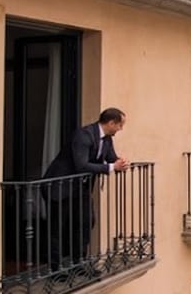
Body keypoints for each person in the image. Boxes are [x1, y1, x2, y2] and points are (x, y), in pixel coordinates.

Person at [43, 108, 129, 273]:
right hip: (60, 186)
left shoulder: (107, 139)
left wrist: (120, 163)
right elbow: (81, 165)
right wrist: (112, 167)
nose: (120, 129)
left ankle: (78, 264)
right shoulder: (84, 135)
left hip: (80, 188)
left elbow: (111, 158)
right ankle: (56, 270)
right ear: (111, 123)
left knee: (85, 222)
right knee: (58, 228)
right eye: (120, 125)